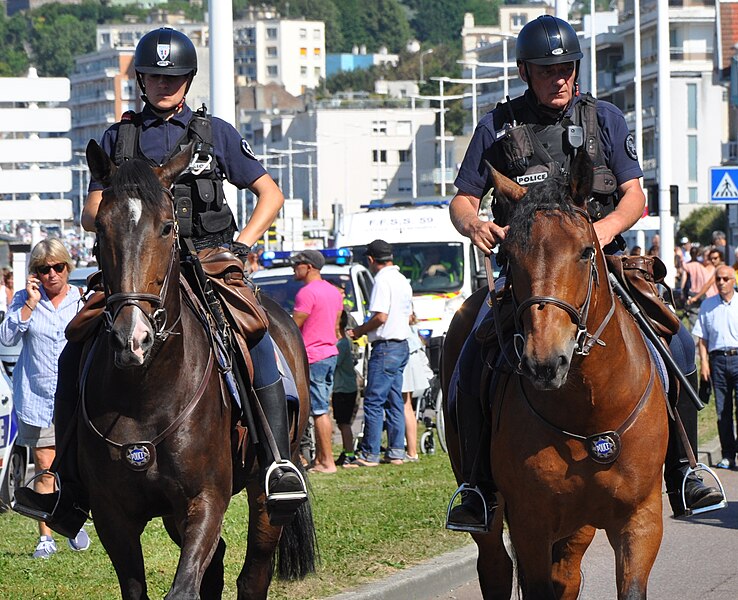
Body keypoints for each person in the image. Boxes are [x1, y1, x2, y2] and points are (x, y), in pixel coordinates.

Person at [12, 27, 306, 531]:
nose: (163, 85)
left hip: (210, 260)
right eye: (153, 76)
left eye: (173, 77)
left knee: (257, 334)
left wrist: (243, 244)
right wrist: (117, 214)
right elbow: (91, 212)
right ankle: (65, 481)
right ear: (141, 80)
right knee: (75, 347)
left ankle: (278, 461)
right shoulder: (118, 138)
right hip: (136, 268)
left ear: (188, 80)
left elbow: (270, 194)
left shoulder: (216, 134)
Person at [445, 14, 723, 531]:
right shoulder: (497, 125)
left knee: (679, 341)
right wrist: (475, 224)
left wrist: (595, 234)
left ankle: (684, 470)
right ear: (527, 71)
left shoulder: (606, 119)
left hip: (602, 263)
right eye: (550, 70)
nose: (562, 78)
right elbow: (462, 199)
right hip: (528, 273)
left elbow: (634, 195)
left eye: (568, 68)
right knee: (468, 353)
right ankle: (477, 485)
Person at [0, 239, 90, 558]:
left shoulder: (81, 300)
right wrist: (29, 305)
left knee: (78, 466)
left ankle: (73, 520)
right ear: (35, 273)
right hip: (38, 397)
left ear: (67, 267)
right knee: (45, 466)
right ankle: (46, 536)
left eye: (57, 267)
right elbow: (6, 337)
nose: (51, 274)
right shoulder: (26, 299)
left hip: (76, 397)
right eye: (43, 269)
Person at [345, 239, 413, 467]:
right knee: (394, 400)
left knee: (373, 401)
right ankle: (396, 451)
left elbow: (380, 316)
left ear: (371, 260)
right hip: (402, 344)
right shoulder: (402, 279)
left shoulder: (382, 281)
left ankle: (370, 454)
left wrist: (358, 331)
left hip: (385, 347)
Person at [291, 249, 344, 474]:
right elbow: (336, 327)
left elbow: (293, 327)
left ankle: (327, 462)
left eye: (298, 264)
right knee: (323, 407)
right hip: (330, 352)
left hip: (313, 355)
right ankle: (322, 458)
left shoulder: (307, 293)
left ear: (309, 267)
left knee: (320, 410)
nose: (294, 268)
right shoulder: (333, 292)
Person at [693, 264, 738, 470]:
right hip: (717, 360)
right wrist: (704, 364)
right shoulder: (707, 305)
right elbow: (702, 338)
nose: (721, 282)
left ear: (734, 280)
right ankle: (728, 455)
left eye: (725, 279)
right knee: (722, 410)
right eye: (718, 279)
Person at [402, 313, 434, 462]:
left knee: (405, 406)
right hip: (418, 369)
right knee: (407, 407)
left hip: (407, 363)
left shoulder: (405, 333)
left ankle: (411, 451)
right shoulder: (415, 332)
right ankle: (410, 450)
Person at [332, 310, 359, 466]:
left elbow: (334, 362)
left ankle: (350, 453)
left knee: (344, 423)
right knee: (342, 423)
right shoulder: (343, 342)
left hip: (344, 389)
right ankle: (346, 451)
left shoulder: (342, 343)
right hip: (342, 388)